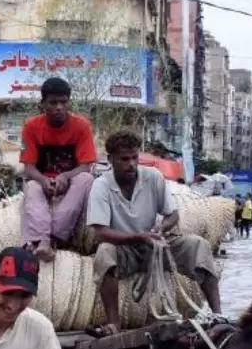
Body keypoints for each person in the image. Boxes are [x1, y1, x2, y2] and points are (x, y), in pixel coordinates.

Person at [89, 130, 222, 336]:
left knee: (199, 246)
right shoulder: (101, 186)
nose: (131, 164)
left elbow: (173, 215)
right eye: (124, 159)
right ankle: (114, 323)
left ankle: (217, 315)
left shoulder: (153, 177)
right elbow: (101, 232)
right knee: (104, 253)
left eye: (134, 158)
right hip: (124, 249)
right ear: (110, 160)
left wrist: (161, 229)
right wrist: (139, 237)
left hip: (155, 244)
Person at [19, 77, 96, 262]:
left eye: (63, 102)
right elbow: (28, 167)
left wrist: (66, 176)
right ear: (43, 104)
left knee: (86, 178)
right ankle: (42, 240)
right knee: (31, 187)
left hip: (70, 182)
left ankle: (55, 236)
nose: (59, 107)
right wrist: (43, 180)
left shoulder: (81, 125)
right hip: (42, 182)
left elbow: (86, 165)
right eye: (53, 102)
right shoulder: (31, 126)